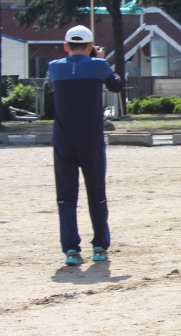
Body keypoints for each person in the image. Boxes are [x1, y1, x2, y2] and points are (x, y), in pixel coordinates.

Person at [47, 25, 124, 266]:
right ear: (91, 46)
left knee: (66, 198)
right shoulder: (98, 65)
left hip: (62, 141)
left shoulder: (53, 67)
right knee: (97, 194)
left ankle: (71, 249)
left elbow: (52, 86)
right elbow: (116, 85)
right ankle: (100, 246)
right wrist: (100, 61)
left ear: (65, 46)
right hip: (91, 141)